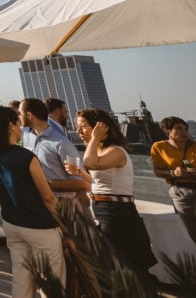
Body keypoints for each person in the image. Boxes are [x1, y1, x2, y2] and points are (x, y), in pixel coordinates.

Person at [0, 105, 62, 298]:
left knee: (22, 280)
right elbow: (48, 197)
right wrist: (65, 228)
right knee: (52, 283)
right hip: (39, 226)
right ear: (10, 125)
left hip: (12, 224)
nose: (20, 129)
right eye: (18, 124)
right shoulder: (26, 157)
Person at [65, 108, 157, 279]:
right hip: (105, 209)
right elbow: (100, 181)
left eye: (83, 126)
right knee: (114, 264)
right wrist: (80, 173)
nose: (78, 131)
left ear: (100, 127)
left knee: (124, 264)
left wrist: (95, 138)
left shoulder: (115, 151)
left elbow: (90, 162)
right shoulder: (102, 152)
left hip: (118, 212)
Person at [150, 115, 196, 249]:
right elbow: (157, 171)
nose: (184, 132)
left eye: (186, 129)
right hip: (181, 195)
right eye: (179, 128)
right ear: (167, 130)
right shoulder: (158, 147)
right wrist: (173, 173)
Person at [18, 98, 88, 204]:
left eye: (19, 113)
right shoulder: (25, 138)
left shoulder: (62, 143)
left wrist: (44, 184)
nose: (18, 117)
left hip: (61, 204)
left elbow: (82, 183)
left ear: (29, 115)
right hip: (35, 203)